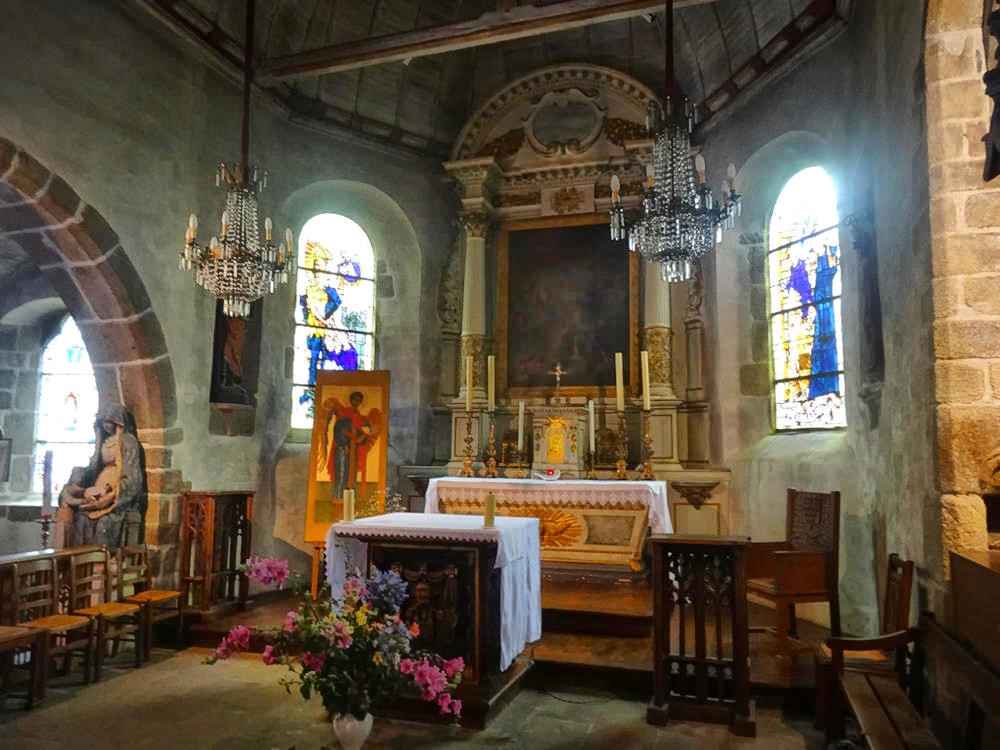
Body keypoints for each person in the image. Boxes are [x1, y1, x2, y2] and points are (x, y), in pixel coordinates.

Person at [58, 404, 146, 550]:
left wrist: (113, 495)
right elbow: (93, 468)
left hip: (118, 497)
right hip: (99, 491)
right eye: (103, 422)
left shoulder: (128, 442)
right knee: (81, 518)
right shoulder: (104, 442)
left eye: (109, 421)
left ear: (118, 422)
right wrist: (79, 480)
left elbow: (133, 478)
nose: (106, 425)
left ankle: (103, 562)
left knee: (105, 522)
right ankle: (82, 562)